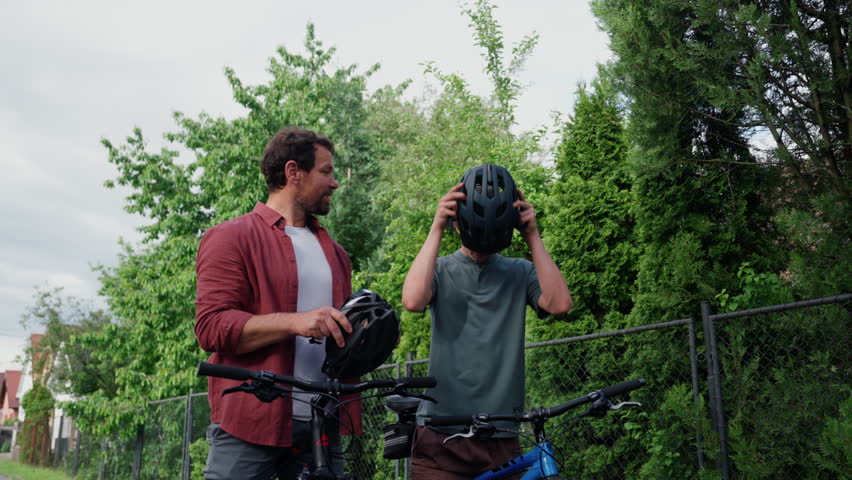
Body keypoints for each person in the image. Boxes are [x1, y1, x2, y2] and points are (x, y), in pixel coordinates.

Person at [194, 126, 359, 479]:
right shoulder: (230, 237)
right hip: (251, 424)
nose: (334, 183)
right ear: (293, 173)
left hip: (322, 427)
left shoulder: (337, 255)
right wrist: (295, 322)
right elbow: (211, 328)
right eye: (326, 172)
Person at [401, 163, 573, 480]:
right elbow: (413, 300)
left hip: (501, 437)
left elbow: (560, 303)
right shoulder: (439, 269)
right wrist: (436, 226)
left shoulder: (519, 271)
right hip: (441, 436)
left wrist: (532, 234)